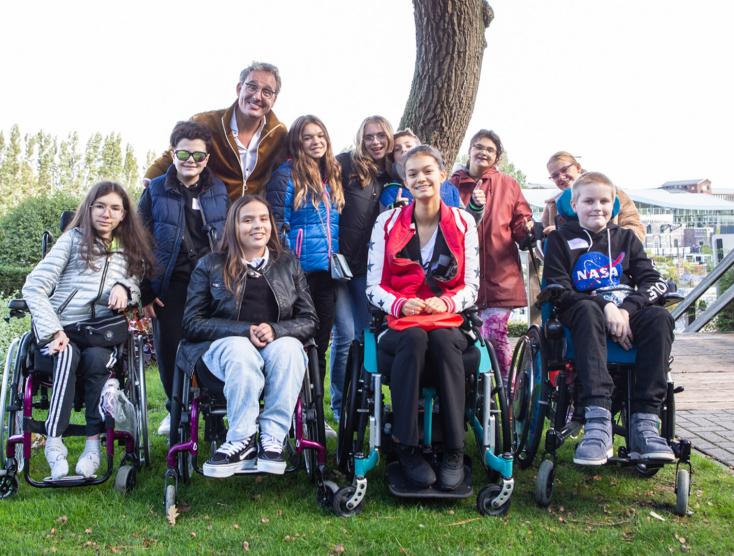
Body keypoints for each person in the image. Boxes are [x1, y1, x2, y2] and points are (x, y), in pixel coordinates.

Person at [177, 195, 318, 477]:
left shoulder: (288, 264)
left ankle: (272, 439)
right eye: (248, 219)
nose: (258, 225)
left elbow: (310, 320)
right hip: (222, 356)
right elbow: (191, 322)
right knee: (241, 349)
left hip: (276, 352)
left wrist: (277, 330)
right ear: (233, 226)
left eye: (263, 219)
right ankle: (241, 439)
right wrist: (243, 331)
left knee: (290, 348)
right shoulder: (210, 265)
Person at [22, 182, 153, 480]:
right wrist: (53, 330)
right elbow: (34, 286)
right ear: (89, 208)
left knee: (96, 362)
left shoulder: (130, 251)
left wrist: (124, 287)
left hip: (99, 334)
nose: (107, 214)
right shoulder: (72, 241)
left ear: (123, 215)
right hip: (63, 329)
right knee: (67, 354)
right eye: (101, 206)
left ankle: (92, 446)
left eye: (115, 208)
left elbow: (136, 286)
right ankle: (54, 442)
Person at [542, 171, 674, 466]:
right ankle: (597, 422)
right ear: (574, 204)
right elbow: (556, 288)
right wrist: (605, 307)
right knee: (589, 311)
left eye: (604, 201)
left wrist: (626, 309)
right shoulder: (561, 240)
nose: (596, 207)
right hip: (581, 315)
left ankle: (645, 424)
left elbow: (655, 282)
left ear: (614, 204)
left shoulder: (626, 238)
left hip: (626, 314)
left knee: (659, 318)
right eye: (588, 201)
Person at [367, 145, 479, 490]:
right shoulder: (387, 223)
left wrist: (446, 304)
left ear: (442, 174)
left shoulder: (463, 221)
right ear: (404, 180)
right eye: (413, 173)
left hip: (448, 324)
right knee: (416, 338)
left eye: (428, 171)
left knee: (444, 341)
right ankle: (407, 447)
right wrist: (401, 305)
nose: (421, 178)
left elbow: (472, 286)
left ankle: (454, 450)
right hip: (401, 327)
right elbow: (372, 286)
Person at [138, 121, 229, 436]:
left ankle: (214, 416)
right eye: (183, 153)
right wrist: (144, 292)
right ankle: (175, 411)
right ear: (172, 152)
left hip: (210, 284)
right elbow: (137, 241)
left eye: (198, 156)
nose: (191, 161)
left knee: (214, 348)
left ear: (207, 158)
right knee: (170, 350)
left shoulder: (218, 189)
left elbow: (227, 238)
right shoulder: (154, 190)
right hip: (170, 284)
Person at [266, 115, 343, 433]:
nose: (316, 142)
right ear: (297, 142)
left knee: (319, 347)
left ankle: (314, 416)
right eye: (308, 137)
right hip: (296, 276)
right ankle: (286, 416)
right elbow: (276, 226)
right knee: (294, 346)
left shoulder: (332, 175)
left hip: (327, 273)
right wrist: (286, 267)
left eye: (320, 135)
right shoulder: (286, 175)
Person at [450, 129, 533, 382]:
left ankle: (506, 395)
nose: (483, 152)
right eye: (479, 147)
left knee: (496, 336)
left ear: (497, 157)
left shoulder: (508, 184)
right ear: (470, 150)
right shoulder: (452, 185)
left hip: (500, 274)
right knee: (465, 339)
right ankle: (471, 393)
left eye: (490, 150)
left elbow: (520, 221)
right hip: (461, 277)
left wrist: (528, 230)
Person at [329, 116, 394, 424]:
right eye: (369, 136)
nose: (375, 141)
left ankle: (366, 399)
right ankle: (340, 406)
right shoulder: (346, 164)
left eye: (381, 135)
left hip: (370, 269)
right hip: (339, 265)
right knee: (343, 335)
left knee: (367, 334)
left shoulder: (393, 174)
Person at [144, 62, 287, 199]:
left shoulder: (278, 134)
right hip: (209, 218)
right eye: (252, 87)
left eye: (267, 92)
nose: (257, 96)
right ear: (239, 89)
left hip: (250, 219)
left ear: (274, 100)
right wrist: (149, 182)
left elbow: (292, 169)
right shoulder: (205, 123)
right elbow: (173, 157)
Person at [543, 151, 645, 241]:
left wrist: (611, 238)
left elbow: (636, 231)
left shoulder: (611, 191)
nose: (561, 177)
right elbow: (545, 246)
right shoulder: (553, 205)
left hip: (614, 258)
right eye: (555, 175)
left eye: (565, 170)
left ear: (578, 167)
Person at [380, 128, 461, 210]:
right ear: (393, 158)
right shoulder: (389, 192)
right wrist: (394, 210)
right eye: (397, 149)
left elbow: (463, 216)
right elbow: (382, 219)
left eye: (408, 146)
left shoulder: (449, 187)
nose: (404, 150)